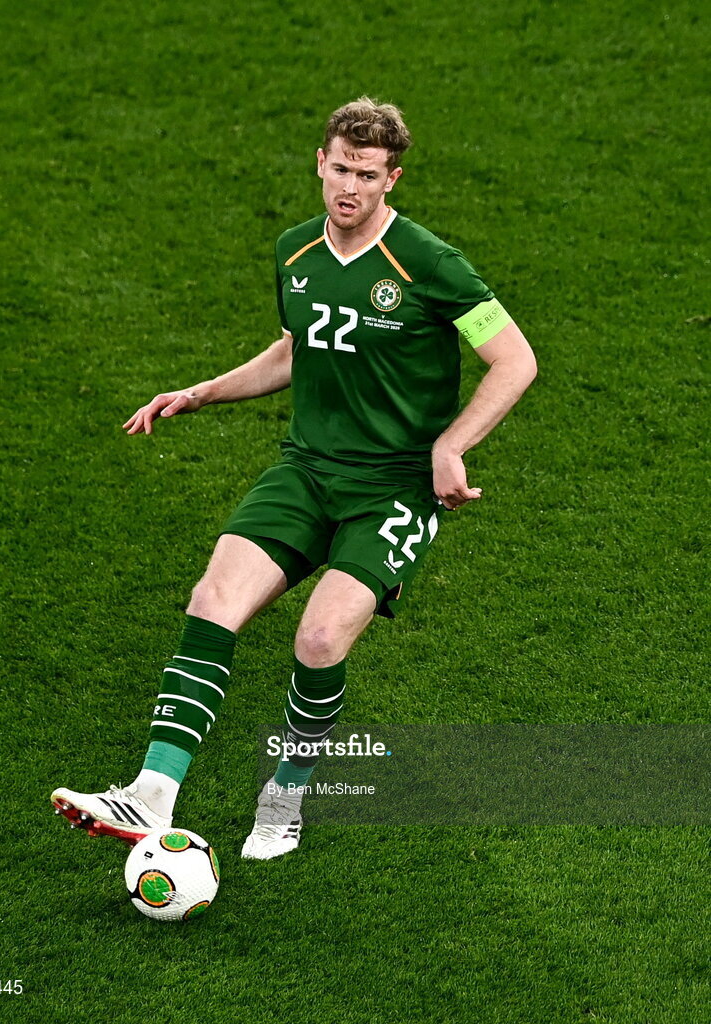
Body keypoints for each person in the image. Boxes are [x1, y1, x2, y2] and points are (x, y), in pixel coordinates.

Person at [51, 97, 537, 859]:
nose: (350, 185)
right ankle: (151, 795)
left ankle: (286, 796)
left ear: (391, 180)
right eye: (340, 167)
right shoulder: (296, 251)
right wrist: (201, 391)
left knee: (318, 637)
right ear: (320, 162)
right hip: (308, 469)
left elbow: (516, 359)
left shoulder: (429, 264)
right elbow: (293, 350)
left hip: (394, 486)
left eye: (367, 174)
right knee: (212, 600)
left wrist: (452, 444)